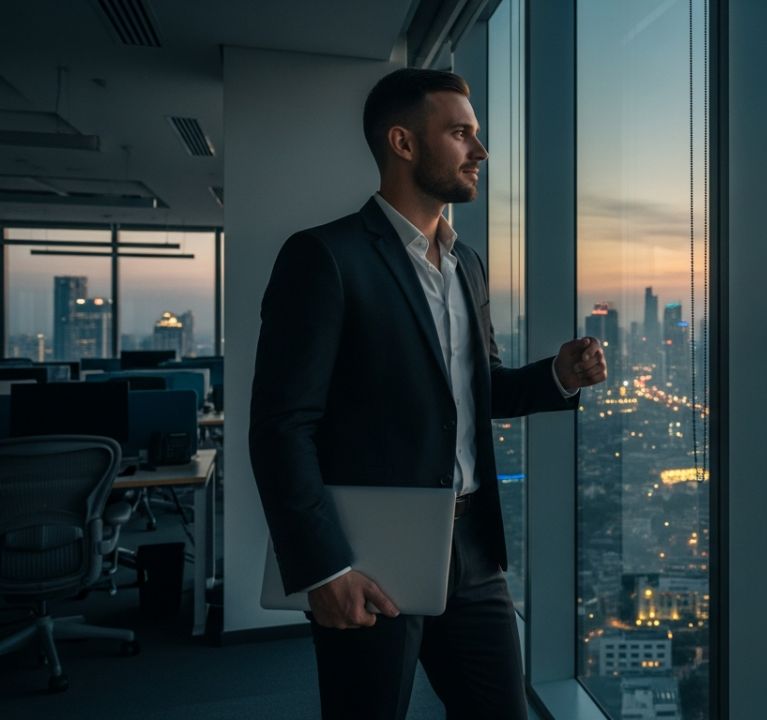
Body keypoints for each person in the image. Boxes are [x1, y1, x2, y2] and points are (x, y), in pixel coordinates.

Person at [249, 67, 606, 720]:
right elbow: (281, 426)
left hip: (472, 548)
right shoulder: (324, 257)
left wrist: (558, 376)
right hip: (370, 552)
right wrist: (322, 569)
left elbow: (477, 391)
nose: (481, 151)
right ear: (403, 144)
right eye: (461, 133)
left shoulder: (465, 264)